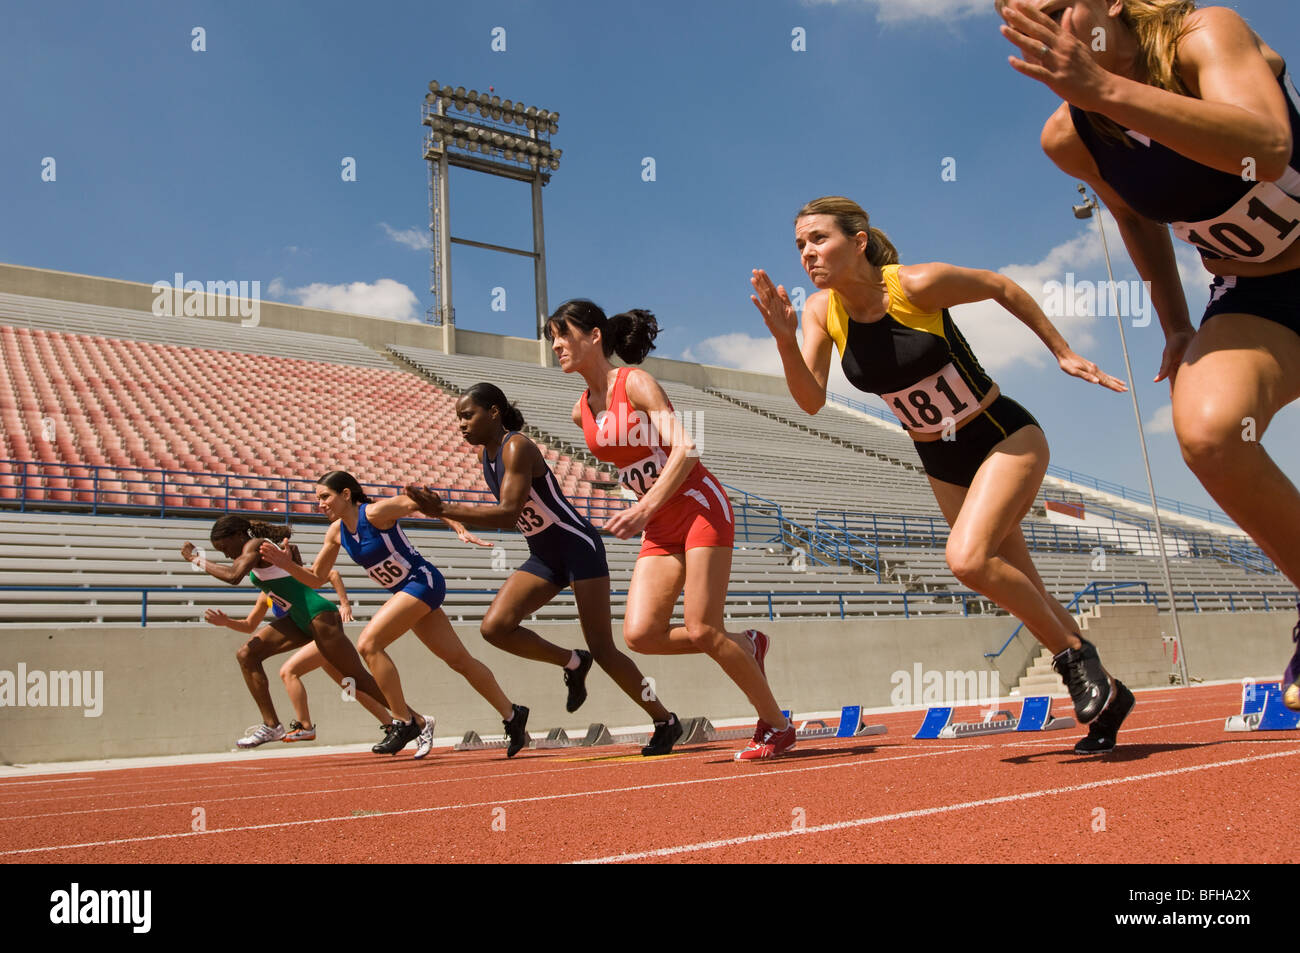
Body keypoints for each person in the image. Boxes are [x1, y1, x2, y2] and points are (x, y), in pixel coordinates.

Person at [996, 0, 1300, 707]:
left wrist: (1103, 87)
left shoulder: (1203, 35)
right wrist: (1174, 322)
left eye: (1060, 7)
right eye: (1029, 18)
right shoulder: (1072, 136)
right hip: (1260, 301)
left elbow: (1267, 148)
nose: (1054, 29)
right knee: (1208, 430)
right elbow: (1134, 214)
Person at [751, 195, 1134, 753]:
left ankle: (1076, 660)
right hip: (940, 458)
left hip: (1000, 435)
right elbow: (810, 401)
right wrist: (786, 342)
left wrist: (1062, 351)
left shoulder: (913, 285)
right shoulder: (820, 312)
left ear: (858, 241)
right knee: (1023, 586)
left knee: (967, 559)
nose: (808, 254)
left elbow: (999, 285)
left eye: (819, 239)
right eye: (800, 245)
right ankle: (1111, 697)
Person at [545, 299, 791, 760]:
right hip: (659, 525)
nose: (556, 344)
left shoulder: (635, 383)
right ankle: (746, 644)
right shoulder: (580, 412)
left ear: (595, 335)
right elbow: (630, 462)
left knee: (702, 628)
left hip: (699, 507)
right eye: (551, 337)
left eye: (563, 334)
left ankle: (777, 725)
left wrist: (644, 508)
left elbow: (686, 448)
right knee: (640, 635)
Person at [405, 382, 683, 756]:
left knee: (604, 648)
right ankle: (572, 661)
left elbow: (508, 512)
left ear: (494, 412)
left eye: (468, 415)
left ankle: (664, 720)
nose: (461, 424)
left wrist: (443, 510)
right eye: (458, 418)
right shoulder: (486, 457)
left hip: (578, 549)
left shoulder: (517, 447)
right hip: (544, 556)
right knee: (495, 628)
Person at [259, 471, 531, 757]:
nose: (320, 504)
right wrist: (283, 564)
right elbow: (316, 578)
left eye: (325, 497)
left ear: (346, 494)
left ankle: (404, 721)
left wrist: (457, 526)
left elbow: (422, 503)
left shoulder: (375, 513)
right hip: (408, 593)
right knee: (459, 660)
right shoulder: (336, 532)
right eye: (317, 500)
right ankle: (512, 714)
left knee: (369, 644)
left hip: (423, 581)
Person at [183, 515, 420, 753]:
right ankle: (272, 726)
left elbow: (233, 576)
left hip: (319, 616)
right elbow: (256, 608)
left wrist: (196, 559)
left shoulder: (255, 545)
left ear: (238, 535)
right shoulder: (258, 551)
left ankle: (415, 719)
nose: (225, 554)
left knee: (355, 678)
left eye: (224, 548)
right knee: (247, 654)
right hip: (297, 619)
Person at [205, 586, 394, 742]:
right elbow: (249, 625)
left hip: (324, 636)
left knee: (289, 671)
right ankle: (394, 725)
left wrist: (345, 604)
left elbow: (333, 573)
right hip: (312, 640)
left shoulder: (294, 581)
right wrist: (226, 622)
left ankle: (306, 726)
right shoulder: (266, 595)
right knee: (352, 686)